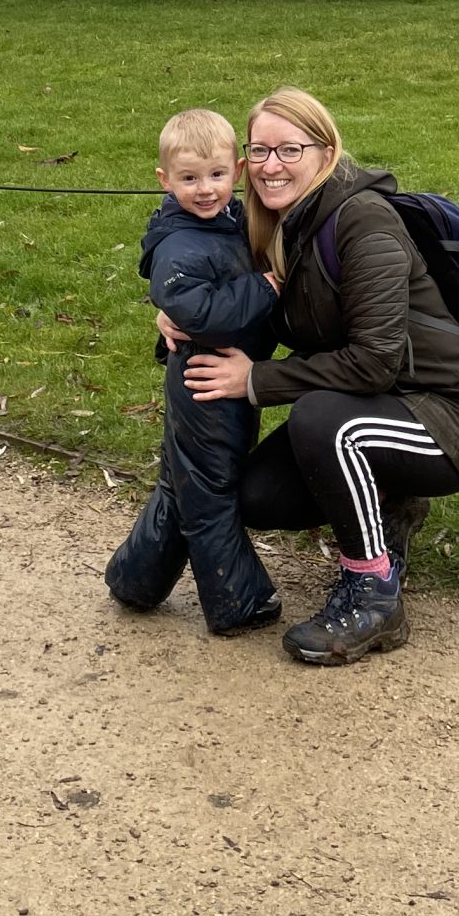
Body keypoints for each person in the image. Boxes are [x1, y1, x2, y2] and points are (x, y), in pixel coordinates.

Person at [181, 87, 459, 666]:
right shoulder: (282, 226)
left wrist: (256, 380)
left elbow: (375, 360)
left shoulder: (363, 223)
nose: (271, 166)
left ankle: (374, 596)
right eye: (258, 151)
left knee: (324, 421)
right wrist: (178, 310)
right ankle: (392, 510)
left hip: (449, 419)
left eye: (289, 149)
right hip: (374, 405)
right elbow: (244, 304)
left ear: (326, 151)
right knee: (258, 497)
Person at [104, 108, 282, 634]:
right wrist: (267, 286)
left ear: (239, 171)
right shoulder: (180, 243)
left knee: (184, 483)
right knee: (210, 488)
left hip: (223, 376)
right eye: (189, 179)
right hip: (204, 381)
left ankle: (136, 577)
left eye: (217, 175)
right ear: (165, 180)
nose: (206, 189)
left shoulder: (228, 219)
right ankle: (237, 601)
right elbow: (198, 310)